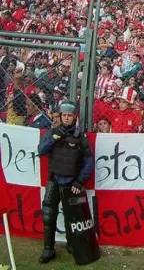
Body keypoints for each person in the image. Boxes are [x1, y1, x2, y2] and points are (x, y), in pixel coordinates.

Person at [37, 101, 94, 264]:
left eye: (69, 115)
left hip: (71, 182)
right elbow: (41, 151)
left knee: (74, 216)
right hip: (54, 179)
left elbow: (89, 161)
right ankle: (48, 248)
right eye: (64, 115)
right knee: (48, 214)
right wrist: (55, 137)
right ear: (60, 116)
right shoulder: (52, 132)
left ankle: (72, 243)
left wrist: (80, 181)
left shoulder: (80, 137)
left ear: (74, 117)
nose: (67, 118)